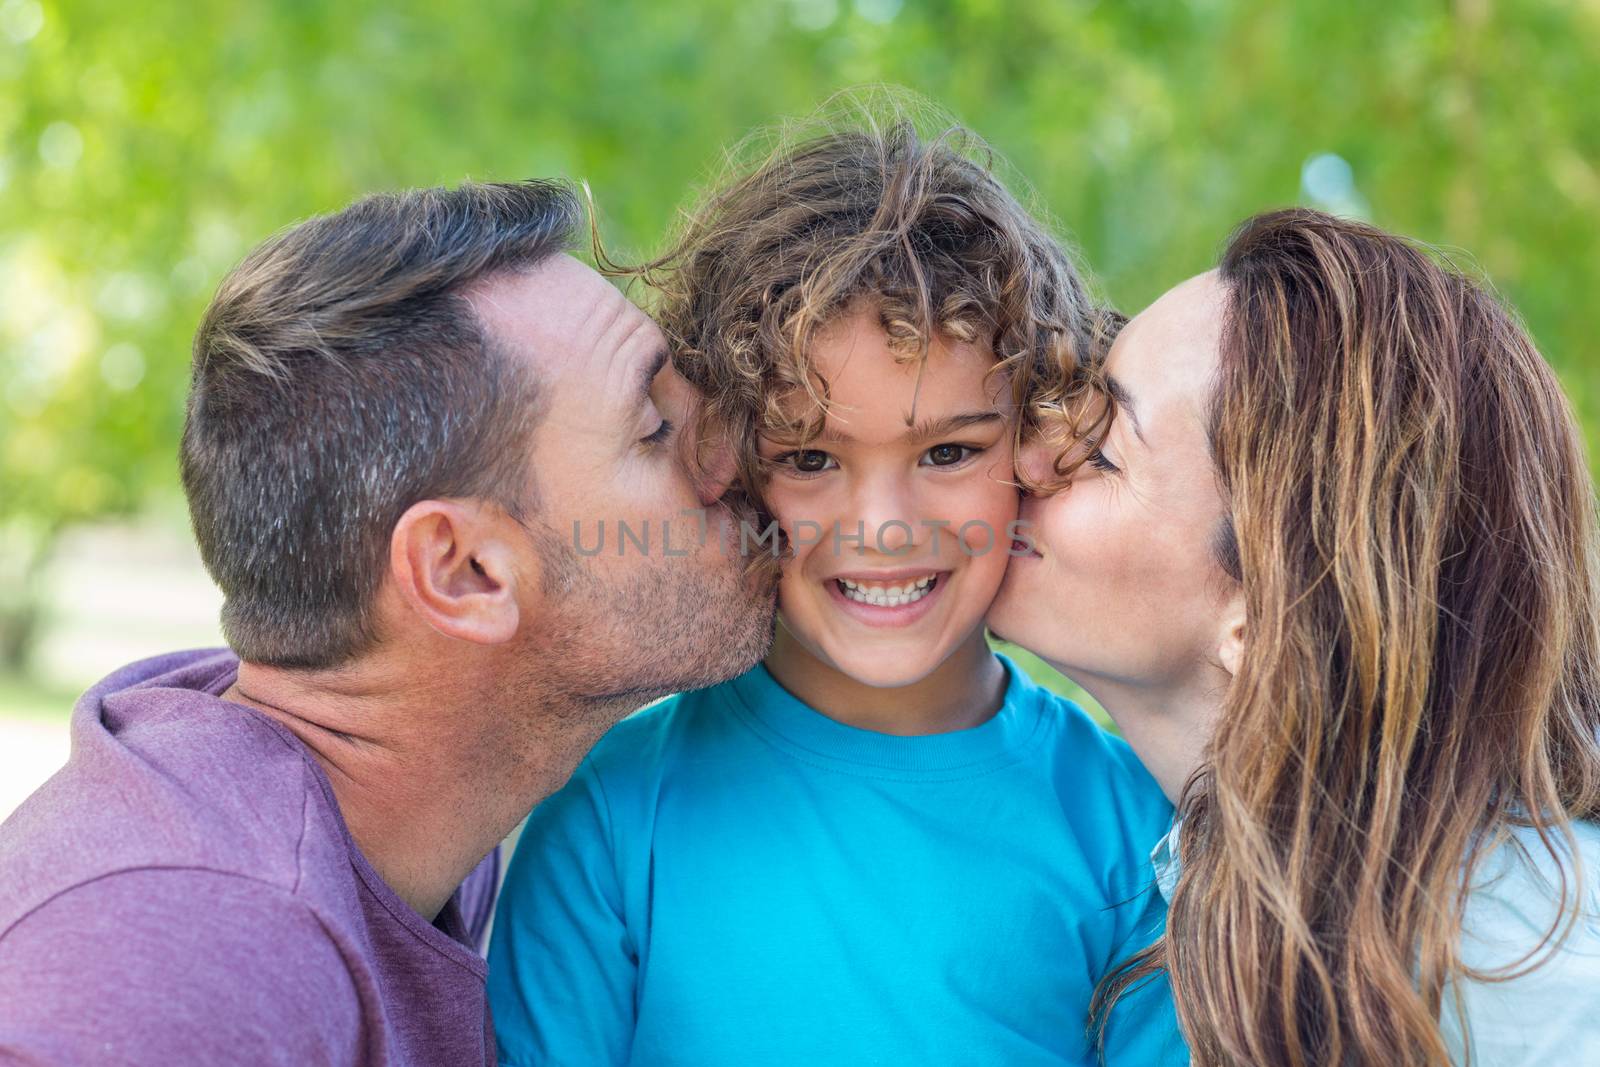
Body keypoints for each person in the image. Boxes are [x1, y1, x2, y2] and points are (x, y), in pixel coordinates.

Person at [0, 180, 775, 1065]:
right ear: (464, 572)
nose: (728, 456)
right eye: (654, 428)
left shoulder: (406, 831)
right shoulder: (184, 954)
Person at [488, 119, 1187, 1066]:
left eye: (949, 451)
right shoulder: (610, 816)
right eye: (809, 458)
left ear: (1036, 442)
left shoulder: (1134, 833)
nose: (884, 526)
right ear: (728, 464)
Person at [987, 207, 1600, 1066]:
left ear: (1262, 613)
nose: (1025, 457)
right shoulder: (1225, 891)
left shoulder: (1532, 982)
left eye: (1101, 450)